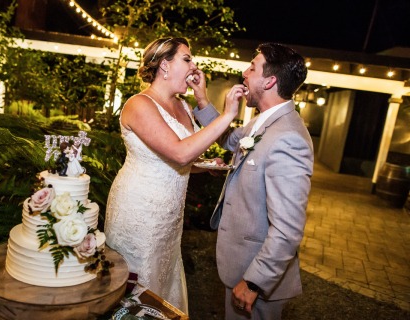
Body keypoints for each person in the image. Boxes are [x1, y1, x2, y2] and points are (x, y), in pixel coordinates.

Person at [104, 37, 239, 313]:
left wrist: (205, 165)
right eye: (187, 59)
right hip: (139, 211)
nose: (194, 65)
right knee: (138, 285)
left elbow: (184, 158)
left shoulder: (184, 107)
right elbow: (178, 153)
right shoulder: (138, 105)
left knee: (163, 280)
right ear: (165, 65)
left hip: (170, 218)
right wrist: (227, 115)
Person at [192, 43, 314, 319]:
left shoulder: (289, 138)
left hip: (255, 277)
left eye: (252, 67)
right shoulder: (263, 123)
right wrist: (202, 100)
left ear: (270, 80)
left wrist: (254, 281)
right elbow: (230, 141)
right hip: (240, 265)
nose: (244, 73)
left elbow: (288, 228)